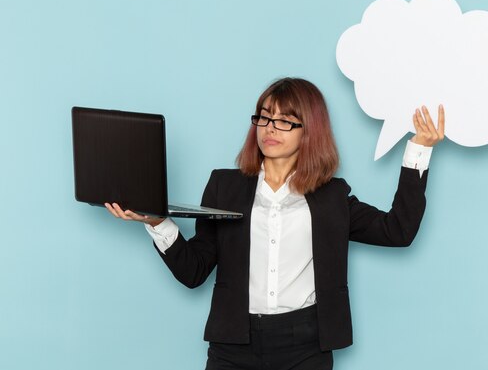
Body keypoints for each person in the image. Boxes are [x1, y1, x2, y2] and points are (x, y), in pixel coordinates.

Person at [105, 77, 445, 370]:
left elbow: (398, 231)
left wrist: (418, 150)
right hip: (233, 343)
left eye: (285, 120)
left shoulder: (332, 197)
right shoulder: (225, 186)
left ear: (309, 131)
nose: (270, 127)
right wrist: (156, 221)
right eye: (265, 117)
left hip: (305, 346)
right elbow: (194, 272)